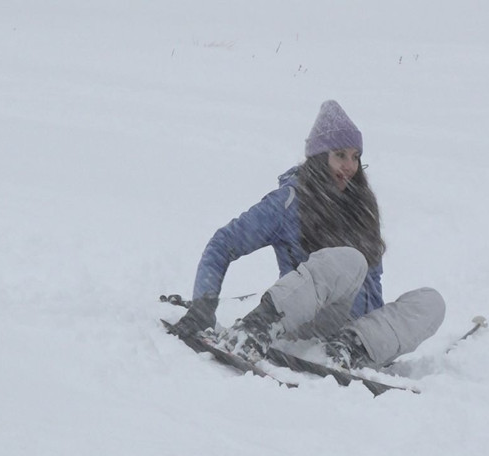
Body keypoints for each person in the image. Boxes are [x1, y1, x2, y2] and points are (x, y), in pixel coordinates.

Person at [171, 100, 446, 370]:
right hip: (304, 324)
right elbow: (223, 244)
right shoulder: (290, 202)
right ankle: (259, 326)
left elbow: (373, 286)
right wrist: (202, 307)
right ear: (319, 157)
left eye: (355, 157)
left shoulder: (361, 208)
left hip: (355, 338)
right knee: (351, 260)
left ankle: (352, 347)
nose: (349, 166)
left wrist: (380, 334)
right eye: (340, 155)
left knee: (432, 302)